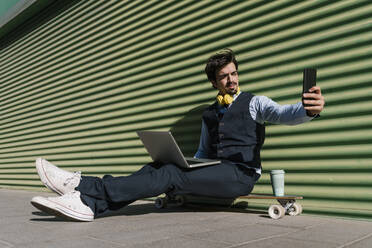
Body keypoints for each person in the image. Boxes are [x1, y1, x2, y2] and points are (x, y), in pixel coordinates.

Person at [31, 48, 325, 221]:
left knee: (171, 175)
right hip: (214, 170)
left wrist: (308, 109)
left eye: (234, 73)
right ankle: (89, 203)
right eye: (224, 76)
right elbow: (202, 153)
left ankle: (83, 185)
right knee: (161, 167)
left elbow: (284, 113)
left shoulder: (255, 102)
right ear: (214, 83)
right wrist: (185, 161)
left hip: (241, 175)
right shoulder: (209, 113)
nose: (231, 79)